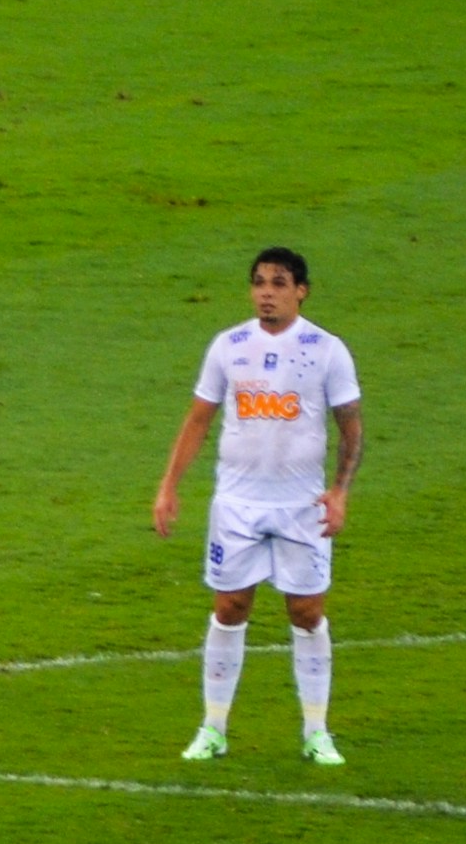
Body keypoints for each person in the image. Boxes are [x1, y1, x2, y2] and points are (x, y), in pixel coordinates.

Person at [151, 247, 365, 765]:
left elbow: (351, 428)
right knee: (229, 608)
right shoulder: (229, 346)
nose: (266, 292)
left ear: (301, 291)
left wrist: (340, 491)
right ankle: (213, 728)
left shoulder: (327, 350)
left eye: (278, 282)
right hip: (238, 505)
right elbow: (199, 418)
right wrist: (169, 485)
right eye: (259, 283)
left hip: (301, 506)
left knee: (307, 611)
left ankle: (316, 731)